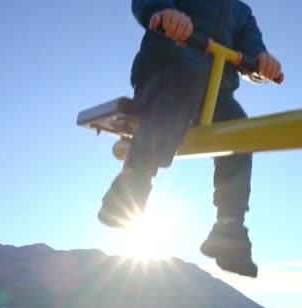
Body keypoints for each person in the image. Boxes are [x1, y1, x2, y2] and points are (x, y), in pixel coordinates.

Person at [97, 0, 283, 278]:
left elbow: (252, 50)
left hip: (215, 92)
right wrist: (164, 13)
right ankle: (131, 185)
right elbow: (145, 2)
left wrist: (262, 62)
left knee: (240, 134)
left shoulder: (242, 13)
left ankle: (230, 230)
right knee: (174, 96)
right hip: (168, 72)